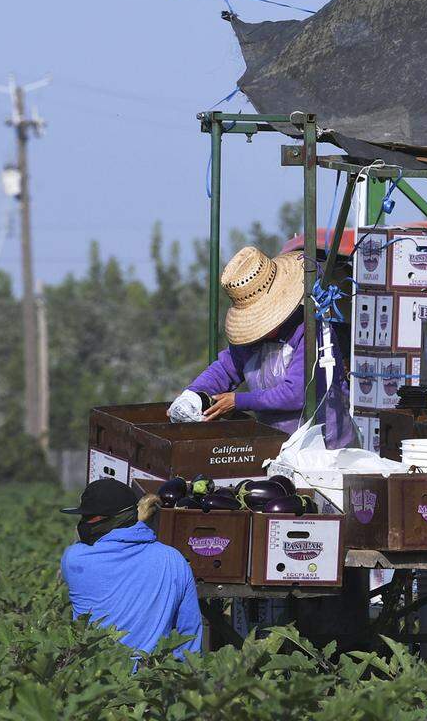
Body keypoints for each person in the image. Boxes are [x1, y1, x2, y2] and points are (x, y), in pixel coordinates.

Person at [169, 246, 355, 449]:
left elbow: (296, 393)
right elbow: (224, 368)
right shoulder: (251, 341)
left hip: (325, 448)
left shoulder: (311, 331)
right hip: (276, 446)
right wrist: (193, 395)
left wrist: (239, 401)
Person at [60, 479, 203, 658]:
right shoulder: (173, 559)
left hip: (95, 677)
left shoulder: (74, 559)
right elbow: (189, 633)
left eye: (88, 518)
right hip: (152, 675)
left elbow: (79, 540)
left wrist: (139, 521)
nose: (83, 523)